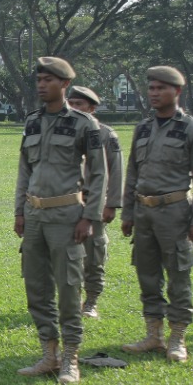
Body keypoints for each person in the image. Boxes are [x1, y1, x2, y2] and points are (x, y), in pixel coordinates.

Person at [13, 58, 106, 384]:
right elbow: (25, 169)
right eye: (39, 79)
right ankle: (48, 353)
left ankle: (70, 358)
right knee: (36, 286)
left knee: (68, 288)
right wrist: (19, 211)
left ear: (65, 84)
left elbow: (98, 175)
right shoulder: (33, 121)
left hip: (67, 217)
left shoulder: (84, 124)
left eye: (49, 80)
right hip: (36, 215)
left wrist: (89, 217)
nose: (41, 85)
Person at [120, 65, 193, 363]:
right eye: (151, 88)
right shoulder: (144, 128)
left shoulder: (192, 129)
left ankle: (177, 337)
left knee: (178, 275)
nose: (155, 93)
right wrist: (128, 213)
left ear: (177, 91)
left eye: (161, 88)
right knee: (147, 274)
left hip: (174, 212)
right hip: (143, 211)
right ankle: (153, 334)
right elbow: (133, 171)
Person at [65, 86, 122, 318]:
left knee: (94, 254)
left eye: (80, 104)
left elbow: (115, 171)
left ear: (92, 108)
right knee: (68, 254)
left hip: (94, 201)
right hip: (67, 202)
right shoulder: (65, 131)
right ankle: (72, 298)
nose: (74, 108)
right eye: (72, 103)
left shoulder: (106, 134)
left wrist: (111, 203)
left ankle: (91, 301)